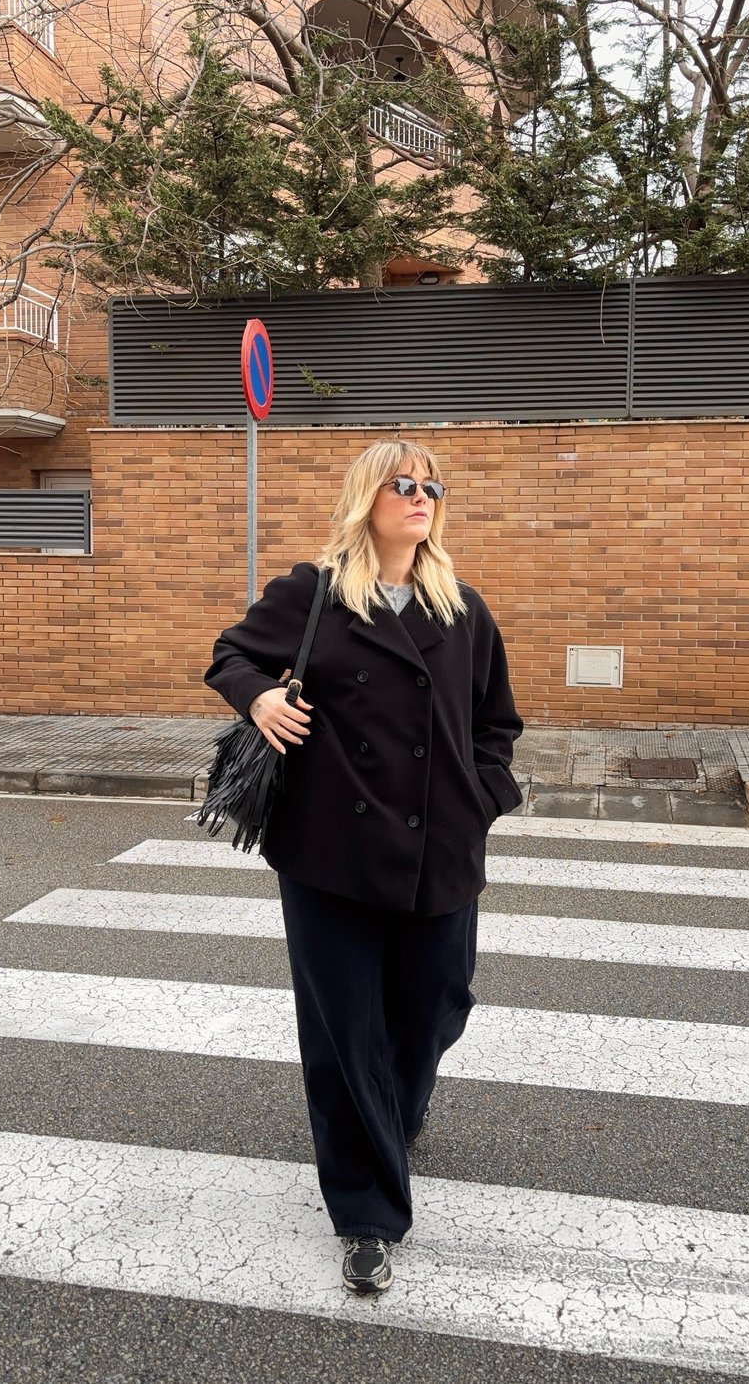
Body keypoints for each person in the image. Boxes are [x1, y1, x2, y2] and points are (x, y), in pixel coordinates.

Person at [205, 439, 523, 1294]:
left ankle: (396, 1112)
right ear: (366, 498)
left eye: (432, 487)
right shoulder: (312, 593)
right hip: (330, 852)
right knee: (345, 1034)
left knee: (436, 1006)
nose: (421, 497)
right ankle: (366, 1216)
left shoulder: (463, 609)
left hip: (441, 848)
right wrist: (258, 696)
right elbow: (230, 655)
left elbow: (496, 723)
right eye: (402, 484)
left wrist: (483, 797)